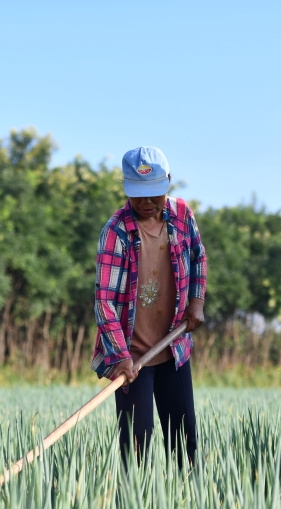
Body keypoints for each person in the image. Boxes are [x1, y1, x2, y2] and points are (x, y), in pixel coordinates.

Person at [92, 146, 207, 468]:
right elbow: (105, 302)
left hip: (174, 347)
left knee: (184, 440)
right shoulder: (115, 231)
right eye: (138, 194)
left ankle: (187, 506)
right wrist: (120, 357)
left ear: (168, 182)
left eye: (153, 194)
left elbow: (198, 258)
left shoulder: (183, 215)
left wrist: (196, 301)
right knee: (136, 442)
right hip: (131, 355)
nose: (146, 202)